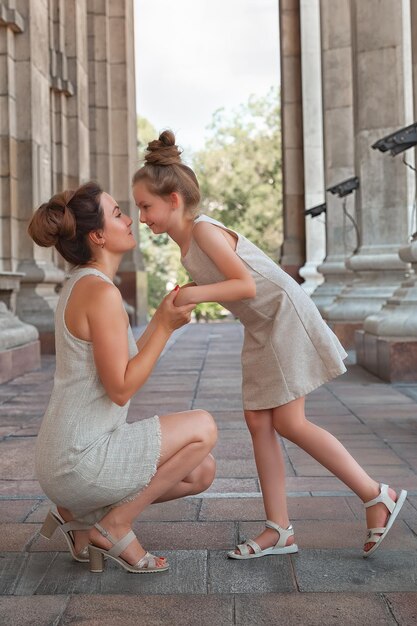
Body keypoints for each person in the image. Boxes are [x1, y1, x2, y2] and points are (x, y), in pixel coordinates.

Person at [131, 130, 407, 560]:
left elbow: (242, 284)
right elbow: (231, 284)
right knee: (260, 423)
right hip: (261, 327)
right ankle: (280, 530)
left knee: (290, 423)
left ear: (173, 200)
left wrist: (190, 295)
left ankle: (376, 495)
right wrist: (187, 292)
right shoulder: (186, 243)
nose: (142, 217)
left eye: (146, 206)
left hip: (280, 317)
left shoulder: (203, 230)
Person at [28, 182, 217, 574]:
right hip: (79, 458)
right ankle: (113, 526)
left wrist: (164, 320)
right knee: (204, 427)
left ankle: (80, 516)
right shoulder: (101, 293)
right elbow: (120, 388)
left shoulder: (83, 284)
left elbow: (122, 362)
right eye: (117, 214)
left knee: (200, 469)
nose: (130, 219)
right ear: (98, 235)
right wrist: (163, 327)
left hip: (62, 456)